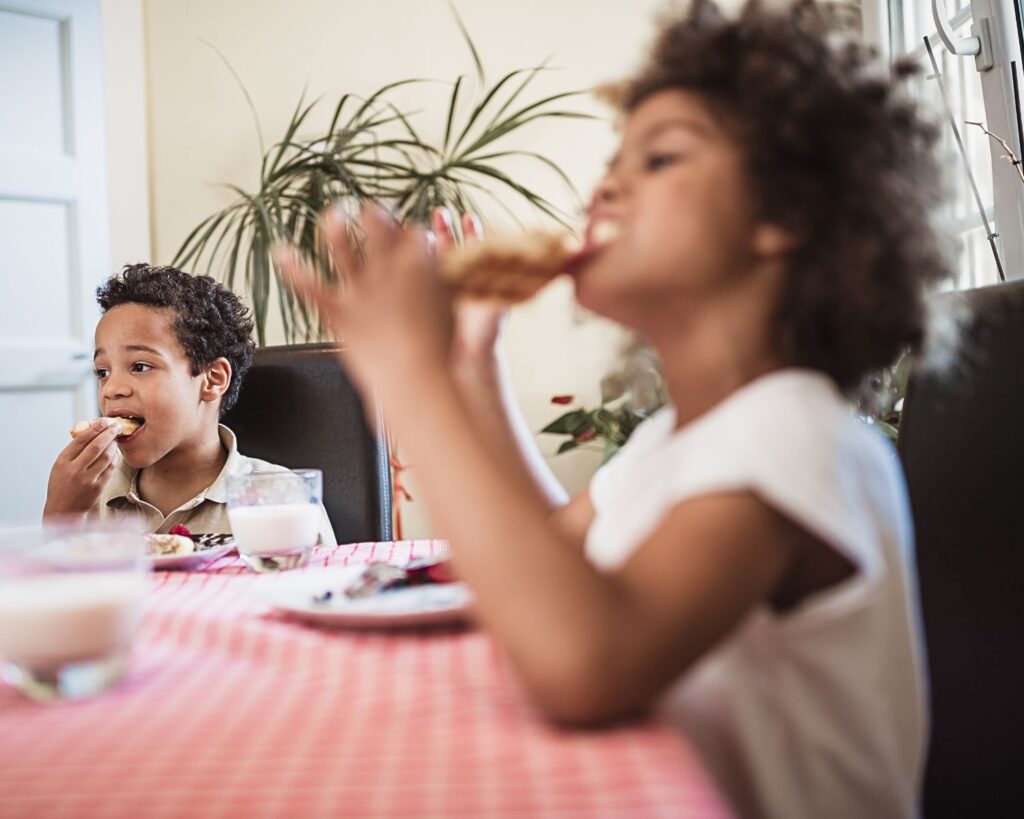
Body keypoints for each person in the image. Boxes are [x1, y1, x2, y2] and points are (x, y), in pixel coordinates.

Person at [279, 1, 948, 816]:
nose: (605, 185)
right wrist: (474, 369)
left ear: (786, 216)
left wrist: (409, 381)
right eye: (614, 160)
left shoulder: (797, 432)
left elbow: (583, 657)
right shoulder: (683, 435)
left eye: (660, 158)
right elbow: (552, 558)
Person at [43, 263, 336, 546]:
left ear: (212, 379)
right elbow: (51, 596)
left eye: (140, 366)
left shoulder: (280, 499)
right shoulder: (88, 497)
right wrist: (61, 514)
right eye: (102, 372)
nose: (112, 389)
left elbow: (314, 589)